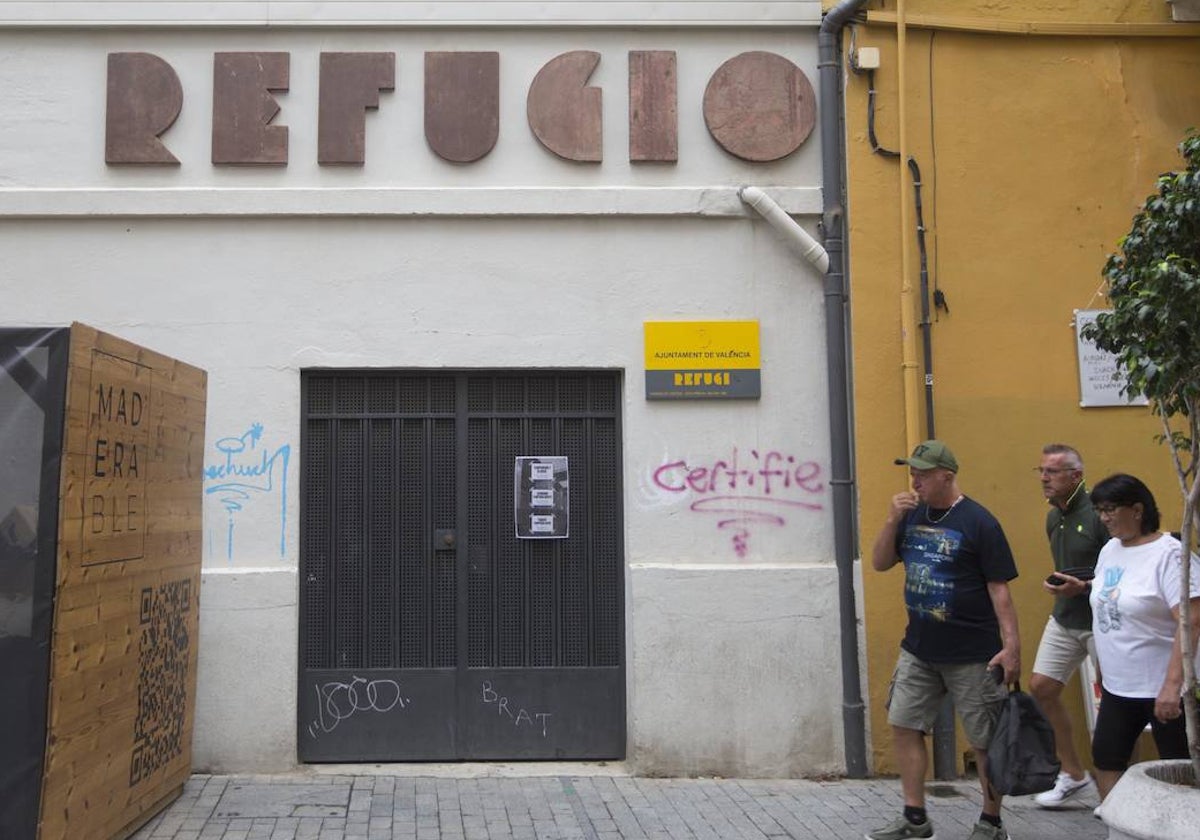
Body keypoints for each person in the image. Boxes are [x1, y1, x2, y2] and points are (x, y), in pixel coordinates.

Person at [868, 440, 1021, 840]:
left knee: (985, 740)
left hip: (973, 652)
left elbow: (999, 589)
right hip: (919, 647)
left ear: (946, 477)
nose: (914, 480)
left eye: (922, 473)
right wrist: (889, 521)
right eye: (912, 472)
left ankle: (990, 822)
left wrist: (1011, 646)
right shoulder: (909, 515)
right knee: (904, 723)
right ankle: (915, 818)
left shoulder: (979, 522)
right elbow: (880, 562)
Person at [1087, 473, 1200, 802]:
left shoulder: (1171, 555)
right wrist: (1101, 663)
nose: (1104, 517)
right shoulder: (1110, 550)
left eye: (1110, 509)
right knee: (1107, 757)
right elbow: (1108, 606)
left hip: (1163, 688)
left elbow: (1190, 621)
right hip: (1119, 685)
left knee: (1178, 766)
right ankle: (1117, 826)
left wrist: (1172, 685)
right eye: (1099, 510)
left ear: (1137, 509)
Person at [1028, 444, 1110, 808]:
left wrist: (1088, 587)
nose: (1044, 478)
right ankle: (1074, 774)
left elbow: (1118, 570)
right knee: (1041, 687)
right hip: (1065, 618)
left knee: (1116, 703)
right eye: (1042, 470)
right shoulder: (1053, 517)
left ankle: (1116, 788)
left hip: (1101, 623)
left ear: (1076, 476)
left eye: (1053, 471)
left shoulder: (1097, 515)